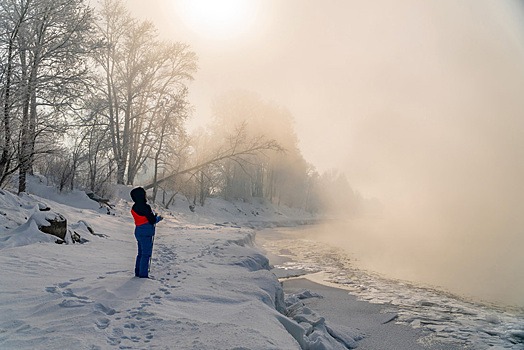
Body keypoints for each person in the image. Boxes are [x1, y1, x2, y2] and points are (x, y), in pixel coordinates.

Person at [130, 187, 162, 278]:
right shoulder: (145, 207)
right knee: (146, 254)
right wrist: (159, 218)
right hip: (146, 232)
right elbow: (152, 220)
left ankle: (138, 272)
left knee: (140, 253)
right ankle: (143, 275)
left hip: (138, 231)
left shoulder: (134, 207)